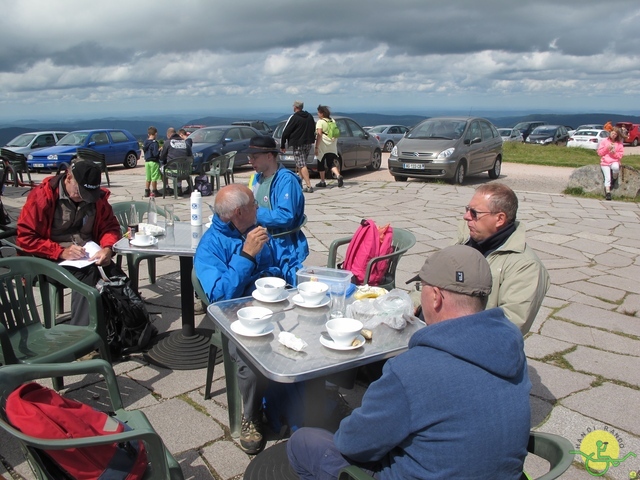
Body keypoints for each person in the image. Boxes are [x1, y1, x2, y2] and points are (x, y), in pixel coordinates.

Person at [287, 245, 531, 480]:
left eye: (421, 286)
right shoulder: (511, 350)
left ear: (435, 297)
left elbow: (352, 443)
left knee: (304, 442)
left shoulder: (412, 369)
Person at [194, 184, 303, 454]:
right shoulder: (210, 246)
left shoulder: (255, 229)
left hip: (275, 305)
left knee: (310, 330)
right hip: (237, 316)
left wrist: (291, 276)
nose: (259, 208)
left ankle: (307, 400)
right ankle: (251, 415)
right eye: (255, 203)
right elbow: (219, 297)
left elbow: (278, 263)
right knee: (249, 357)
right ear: (239, 212)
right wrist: (246, 255)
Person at [16, 158, 123, 326]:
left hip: (85, 254)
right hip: (47, 259)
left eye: (87, 195)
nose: (83, 198)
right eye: (79, 192)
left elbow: (110, 227)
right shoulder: (42, 196)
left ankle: (123, 324)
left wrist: (108, 248)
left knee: (113, 272)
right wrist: (59, 251)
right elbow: (26, 238)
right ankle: (83, 333)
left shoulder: (97, 199)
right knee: (88, 274)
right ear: (68, 178)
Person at [456, 183, 550, 333]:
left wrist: (449, 332)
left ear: (500, 219)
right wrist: (414, 304)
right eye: (467, 210)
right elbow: (432, 277)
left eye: (474, 213)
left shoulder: (526, 266)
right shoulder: (464, 241)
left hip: (471, 346)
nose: (466, 217)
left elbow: (510, 324)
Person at [247, 135, 309, 264]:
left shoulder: (287, 181)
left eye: (255, 157)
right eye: (250, 157)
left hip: (282, 247)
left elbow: (285, 216)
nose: (250, 161)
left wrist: (251, 214)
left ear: (269, 156)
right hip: (260, 243)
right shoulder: (257, 178)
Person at [280, 100, 316, 193]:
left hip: (298, 144)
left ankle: (308, 186)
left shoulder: (294, 117)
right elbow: (313, 128)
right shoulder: (309, 116)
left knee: (302, 164)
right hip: (308, 143)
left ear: (295, 107)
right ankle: (299, 183)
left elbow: (286, 131)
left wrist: (283, 144)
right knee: (300, 163)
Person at [315, 105, 343, 188]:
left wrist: (316, 147)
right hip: (332, 145)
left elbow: (319, 134)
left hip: (323, 145)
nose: (318, 114)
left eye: (319, 112)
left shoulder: (320, 122)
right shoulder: (332, 120)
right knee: (330, 163)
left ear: (322, 113)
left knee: (320, 163)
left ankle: (322, 181)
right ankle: (338, 175)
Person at [160, 127, 192, 196]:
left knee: (162, 167)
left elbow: (162, 157)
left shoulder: (168, 143)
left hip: (173, 171)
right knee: (179, 164)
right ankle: (178, 187)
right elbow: (190, 156)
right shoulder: (185, 143)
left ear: (168, 135)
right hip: (185, 170)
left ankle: (166, 188)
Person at [597, 126, 625, 201]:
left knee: (615, 167)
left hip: (614, 160)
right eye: (612, 133)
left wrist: (614, 153)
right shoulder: (604, 141)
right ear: (609, 133)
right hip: (605, 162)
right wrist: (607, 148)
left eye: (615, 134)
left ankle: (615, 177)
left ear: (617, 135)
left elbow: (620, 155)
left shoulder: (619, 144)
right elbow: (599, 153)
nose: (613, 135)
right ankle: (608, 192)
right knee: (607, 178)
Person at [142, 126, 161, 197]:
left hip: (147, 162)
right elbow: (155, 154)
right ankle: (155, 190)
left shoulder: (145, 142)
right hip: (154, 162)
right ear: (155, 134)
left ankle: (147, 191)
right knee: (154, 177)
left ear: (148, 134)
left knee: (148, 177)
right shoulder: (155, 143)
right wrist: (159, 150)